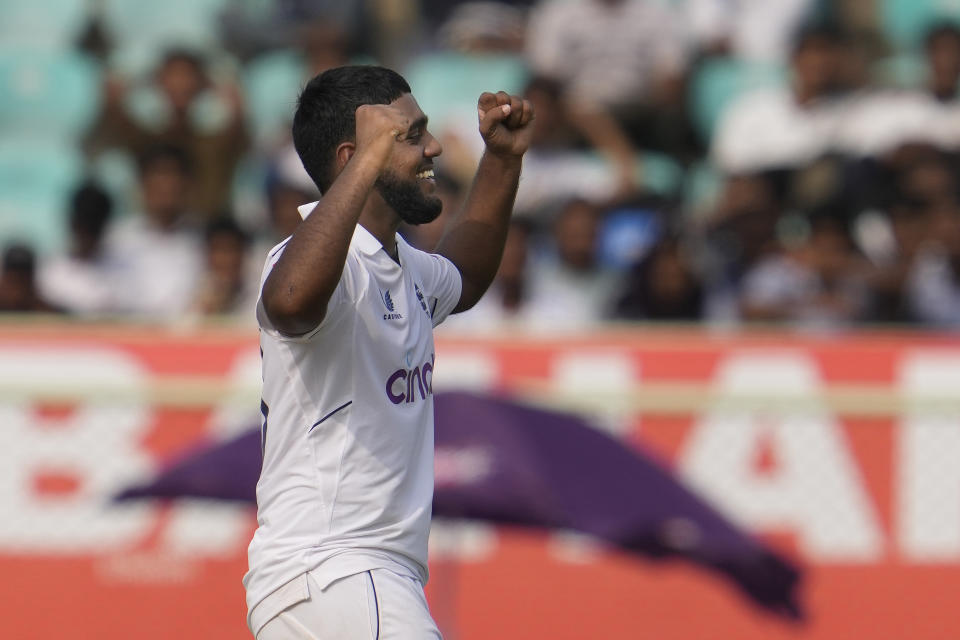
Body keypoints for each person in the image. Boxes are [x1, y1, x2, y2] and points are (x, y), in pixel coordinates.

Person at [244, 65, 533, 639]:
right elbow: (292, 302)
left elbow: (465, 276)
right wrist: (368, 163)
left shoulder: (401, 263)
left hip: (334, 584)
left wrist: (500, 160)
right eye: (410, 134)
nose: (433, 147)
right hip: (340, 568)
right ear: (357, 155)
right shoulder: (319, 258)